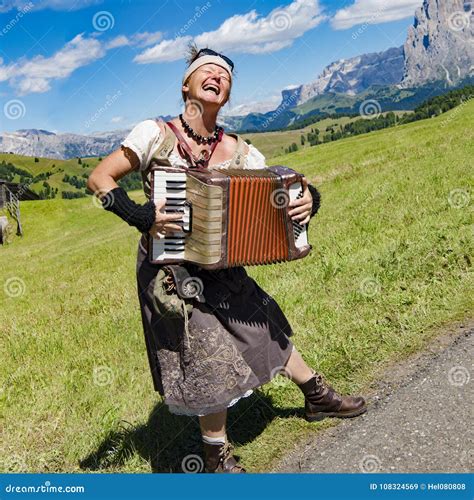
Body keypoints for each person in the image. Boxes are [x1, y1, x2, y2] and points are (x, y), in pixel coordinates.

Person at [87, 45, 367, 473]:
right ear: (187, 84)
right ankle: (216, 455)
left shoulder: (241, 151)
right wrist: (140, 215)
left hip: (223, 266)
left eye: (226, 76)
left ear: (228, 94)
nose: (218, 77)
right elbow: (99, 179)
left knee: (263, 324)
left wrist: (309, 198)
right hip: (171, 271)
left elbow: (284, 191)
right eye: (208, 71)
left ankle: (316, 396)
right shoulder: (154, 134)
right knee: (206, 351)